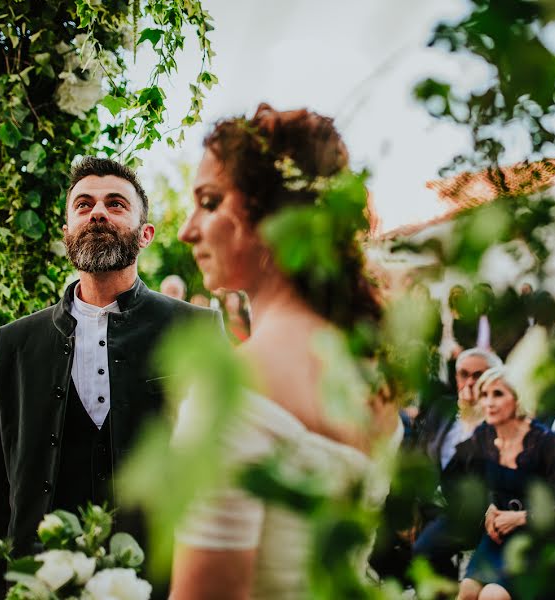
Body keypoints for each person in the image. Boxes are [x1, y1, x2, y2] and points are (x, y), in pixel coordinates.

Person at [171, 103, 403, 599]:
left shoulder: (233, 389)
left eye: (209, 202)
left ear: (273, 215)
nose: (185, 230)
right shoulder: (373, 373)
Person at [0, 157, 222, 600]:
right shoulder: (11, 346)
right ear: (66, 231)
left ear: (146, 234)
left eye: (115, 204)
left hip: (167, 583)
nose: (97, 212)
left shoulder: (197, 330)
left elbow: (223, 471)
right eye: (83, 205)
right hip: (42, 584)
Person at [456, 367, 555, 600]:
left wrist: (520, 518)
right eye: (485, 394)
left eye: (498, 394)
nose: (489, 402)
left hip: (537, 540)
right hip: (498, 536)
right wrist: (488, 509)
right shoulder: (484, 435)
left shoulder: (547, 441)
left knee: (492, 595)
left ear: (518, 398)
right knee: (467, 592)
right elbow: (476, 484)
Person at [411, 348, 503, 579]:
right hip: (430, 504)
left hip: (469, 512)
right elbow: (421, 455)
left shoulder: (500, 417)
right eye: (464, 374)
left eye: (478, 375)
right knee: (385, 546)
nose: (470, 381)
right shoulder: (443, 407)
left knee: (423, 552)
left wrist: (475, 419)